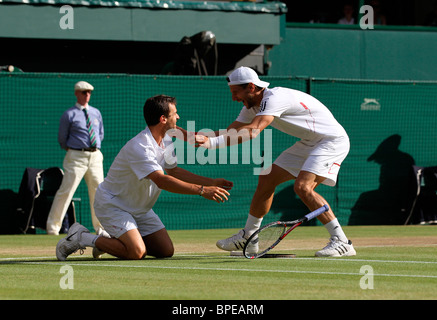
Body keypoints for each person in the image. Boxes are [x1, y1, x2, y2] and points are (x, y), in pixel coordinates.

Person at [194, 67, 356, 257]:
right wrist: (201, 138)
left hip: (331, 141)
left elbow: (253, 131)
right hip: (310, 142)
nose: (234, 98)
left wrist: (211, 143)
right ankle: (250, 238)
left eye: (236, 92)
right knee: (267, 178)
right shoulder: (252, 105)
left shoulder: (274, 98)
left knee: (303, 187)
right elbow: (231, 131)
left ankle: (342, 242)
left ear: (251, 87)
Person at [56, 95, 233, 261]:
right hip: (113, 206)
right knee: (136, 252)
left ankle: (112, 240)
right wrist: (202, 191)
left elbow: (174, 171)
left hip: (139, 209)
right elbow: (162, 180)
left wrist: (211, 182)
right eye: (174, 114)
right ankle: (82, 237)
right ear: (163, 119)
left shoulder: (167, 140)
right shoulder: (140, 146)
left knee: (165, 251)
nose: (178, 117)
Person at [46, 81, 105, 235]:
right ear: (76, 93)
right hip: (76, 156)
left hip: (95, 156)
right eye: (84, 92)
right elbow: (62, 138)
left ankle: (101, 228)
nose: (87, 95)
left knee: (99, 192)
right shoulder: (69, 114)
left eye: (89, 92)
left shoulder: (96, 113)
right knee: (66, 190)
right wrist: (75, 150)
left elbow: (100, 134)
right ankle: (53, 228)